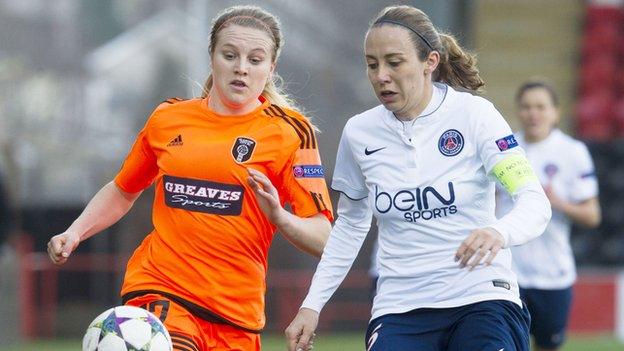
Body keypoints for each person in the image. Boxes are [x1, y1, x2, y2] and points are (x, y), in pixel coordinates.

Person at [47, 6, 333, 351]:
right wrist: (74, 232)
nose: (241, 67)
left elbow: (323, 239)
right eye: (230, 55)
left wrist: (280, 218)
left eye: (255, 60)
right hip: (162, 290)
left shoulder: (290, 132)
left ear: (270, 68)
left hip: (237, 315)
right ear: (212, 57)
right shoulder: (168, 119)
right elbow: (124, 190)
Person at [286, 5, 552, 351]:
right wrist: (312, 304)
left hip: (482, 298)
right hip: (400, 308)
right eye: (372, 64)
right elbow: (351, 226)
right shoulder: (359, 133)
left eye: (394, 63)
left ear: (430, 62)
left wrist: (500, 231)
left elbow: (534, 201)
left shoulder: (475, 116)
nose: (381, 75)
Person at [496, 80, 601, 351]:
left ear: (556, 112)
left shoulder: (572, 152)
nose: (533, 113)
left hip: (553, 273)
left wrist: (558, 203)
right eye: (527, 107)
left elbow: (592, 215)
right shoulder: (503, 149)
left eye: (541, 107)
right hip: (508, 271)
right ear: (518, 111)